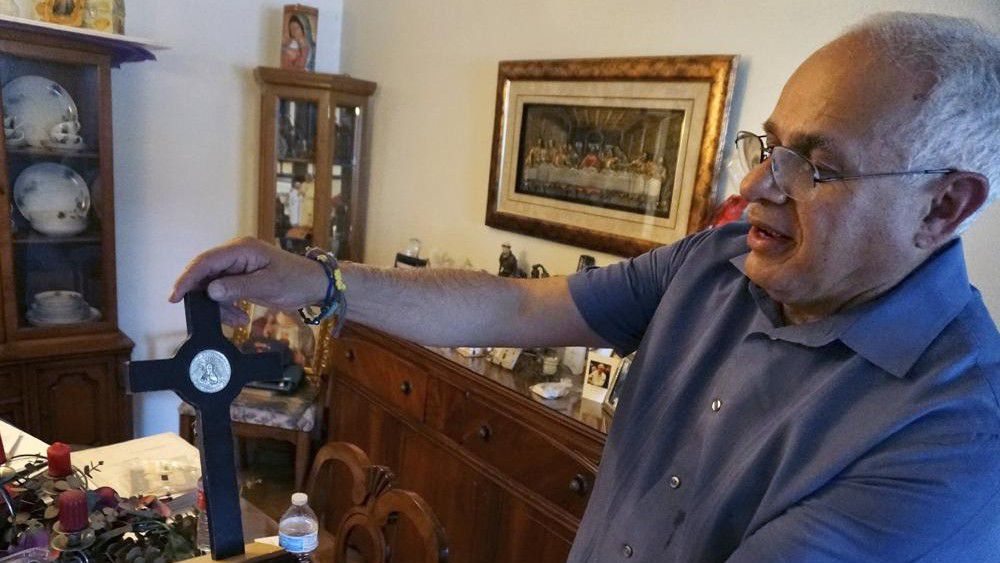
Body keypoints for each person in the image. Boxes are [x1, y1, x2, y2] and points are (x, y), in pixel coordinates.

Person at [172, 12, 1000, 561]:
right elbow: (516, 303)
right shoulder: (714, 265)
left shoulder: (957, 435)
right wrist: (318, 278)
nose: (757, 189)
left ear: (943, 203)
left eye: (817, 167)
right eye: (769, 146)